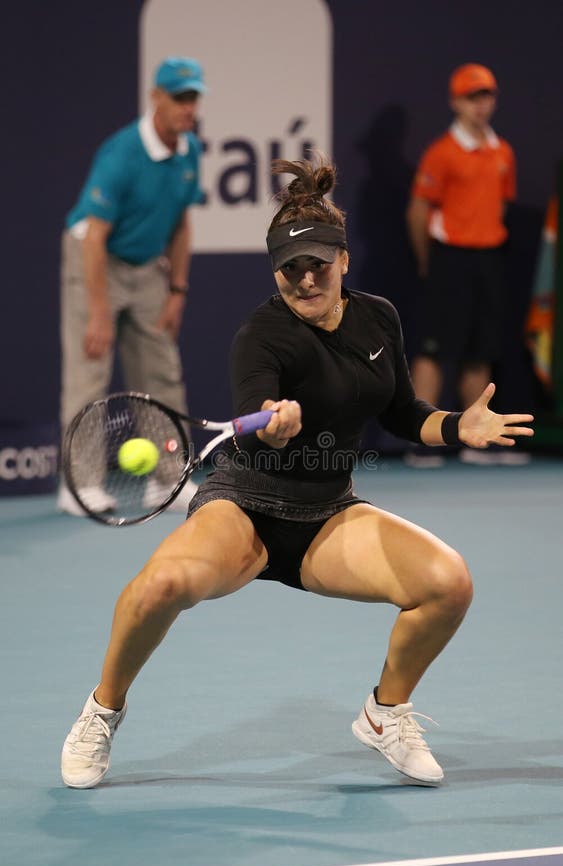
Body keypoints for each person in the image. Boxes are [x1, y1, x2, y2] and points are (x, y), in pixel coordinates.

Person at [60, 153, 533, 790]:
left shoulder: (378, 318)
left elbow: (400, 412)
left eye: (316, 264)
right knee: (158, 589)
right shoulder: (260, 334)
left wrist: (455, 426)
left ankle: (383, 714)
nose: (305, 280)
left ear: (342, 259)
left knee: (448, 583)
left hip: (327, 518)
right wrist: (274, 424)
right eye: (289, 270)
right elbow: (253, 415)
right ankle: (101, 711)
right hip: (244, 510)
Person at [58, 56, 206, 516]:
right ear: (155, 99)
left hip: (147, 268)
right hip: (95, 260)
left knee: (161, 373)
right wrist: (99, 311)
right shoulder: (121, 153)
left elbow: (181, 223)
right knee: (90, 372)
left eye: (193, 98)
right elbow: (95, 237)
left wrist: (177, 290)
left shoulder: (191, 151)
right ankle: (77, 487)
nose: (188, 108)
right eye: (179, 98)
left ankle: (168, 479)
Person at [405, 63, 524, 467]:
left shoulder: (503, 151)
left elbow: (501, 205)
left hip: (489, 258)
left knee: (481, 348)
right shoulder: (441, 153)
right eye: (473, 97)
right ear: (456, 102)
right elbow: (419, 212)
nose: (481, 104)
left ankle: (478, 442)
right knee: (434, 349)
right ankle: (422, 441)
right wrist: (430, 261)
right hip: (449, 258)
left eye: (486, 95)